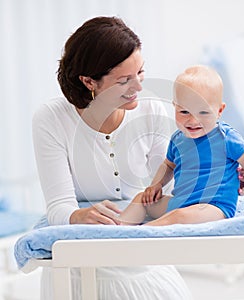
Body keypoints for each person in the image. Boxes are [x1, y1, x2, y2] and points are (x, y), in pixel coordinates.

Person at [32, 16, 193, 300]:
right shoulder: (52, 119)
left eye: (141, 73)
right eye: (124, 80)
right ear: (88, 81)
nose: (138, 87)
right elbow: (58, 209)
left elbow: (165, 189)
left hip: (141, 258)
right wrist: (78, 215)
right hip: (80, 265)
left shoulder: (151, 110)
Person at [119, 65, 244, 226]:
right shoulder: (178, 139)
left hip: (214, 207)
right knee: (142, 199)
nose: (193, 121)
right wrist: (156, 185)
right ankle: (117, 229)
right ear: (175, 106)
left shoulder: (226, 138)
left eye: (203, 113)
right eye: (184, 112)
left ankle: (139, 234)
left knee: (179, 217)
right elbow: (168, 165)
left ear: (219, 110)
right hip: (180, 203)